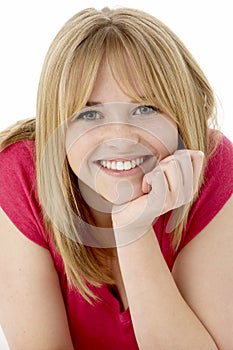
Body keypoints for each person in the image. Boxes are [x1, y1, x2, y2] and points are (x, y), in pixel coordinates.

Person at [0, 7, 232, 350]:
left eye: (145, 108)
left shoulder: (213, 166)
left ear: (181, 114)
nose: (120, 137)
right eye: (89, 113)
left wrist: (132, 229)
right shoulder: (20, 173)